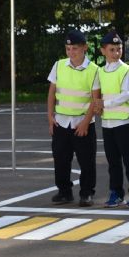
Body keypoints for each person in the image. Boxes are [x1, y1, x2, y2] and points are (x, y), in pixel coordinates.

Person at [47, 29, 98, 207]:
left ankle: (86, 193)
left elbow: (95, 99)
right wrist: (50, 116)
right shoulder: (59, 65)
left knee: (86, 161)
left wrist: (85, 122)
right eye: (68, 49)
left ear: (85, 48)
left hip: (82, 123)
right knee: (60, 159)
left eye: (74, 48)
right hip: (61, 122)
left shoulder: (93, 70)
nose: (71, 52)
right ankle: (64, 192)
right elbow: (52, 92)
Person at [95, 30, 129, 208]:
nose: (116, 53)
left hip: (123, 122)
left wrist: (104, 104)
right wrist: (99, 106)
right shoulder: (100, 71)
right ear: (103, 51)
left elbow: (126, 95)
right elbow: (97, 94)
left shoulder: (127, 70)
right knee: (112, 162)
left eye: (119, 49)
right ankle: (116, 193)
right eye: (112, 49)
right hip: (108, 123)